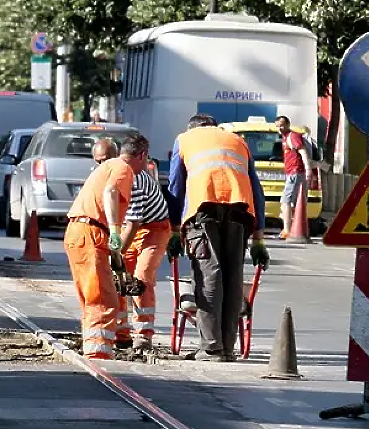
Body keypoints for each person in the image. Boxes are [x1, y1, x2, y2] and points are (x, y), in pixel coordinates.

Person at [167, 114, 269, 362]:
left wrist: (173, 231)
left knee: (209, 274)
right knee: (233, 276)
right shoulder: (237, 141)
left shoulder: (184, 139)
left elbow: (175, 187)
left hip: (204, 210)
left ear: (191, 128)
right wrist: (258, 240)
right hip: (240, 212)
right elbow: (256, 190)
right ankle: (227, 348)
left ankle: (211, 349)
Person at [65, 132, 149, 360]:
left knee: (94, 297)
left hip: (81, 232)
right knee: (103, 299)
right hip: (91, 233)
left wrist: (115, 253)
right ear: (142, 156)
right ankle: (98, 356)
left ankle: (94, 348)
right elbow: (111, 192)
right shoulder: (124, 168)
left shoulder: (108, 166)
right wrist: (114, 229)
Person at [116, 155, 172, 351]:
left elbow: (133, 223)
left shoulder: (136, 180)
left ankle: (143, 335)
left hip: (154, 229)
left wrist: (116, 253)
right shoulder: (108, 175)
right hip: (128, 227)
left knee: (141, 278)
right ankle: (121, 332)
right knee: (119, 277)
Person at [277, 115, 312, 238]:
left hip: (295, 172)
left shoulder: (293, 136)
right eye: (277, 126)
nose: (280, 128)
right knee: (294, 202)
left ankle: (287, 230)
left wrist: (308, 169)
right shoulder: (285, 138)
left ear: (287, 124)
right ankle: (294, 229)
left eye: (282, 125)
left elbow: (303, 152)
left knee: (285, 201)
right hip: (292, 173)